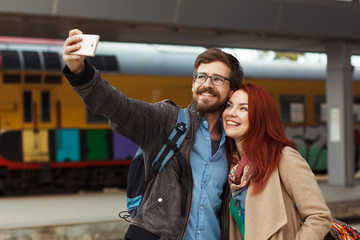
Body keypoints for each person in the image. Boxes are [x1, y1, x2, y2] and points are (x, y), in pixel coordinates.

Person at [62, 29, 243, 240]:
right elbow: (118, 107)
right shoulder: (167, 121)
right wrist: (80, 70)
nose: (207, 84)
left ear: (232, 91)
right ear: (193, 83)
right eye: (201, 77)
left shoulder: (234, 144)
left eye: (218, 79)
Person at [222, 83, 332, 240]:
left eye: (243, 108)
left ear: (260, 116)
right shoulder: (233, 168)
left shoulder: (284, 158)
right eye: (229, 105)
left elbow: (319, 217)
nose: (231, 113)